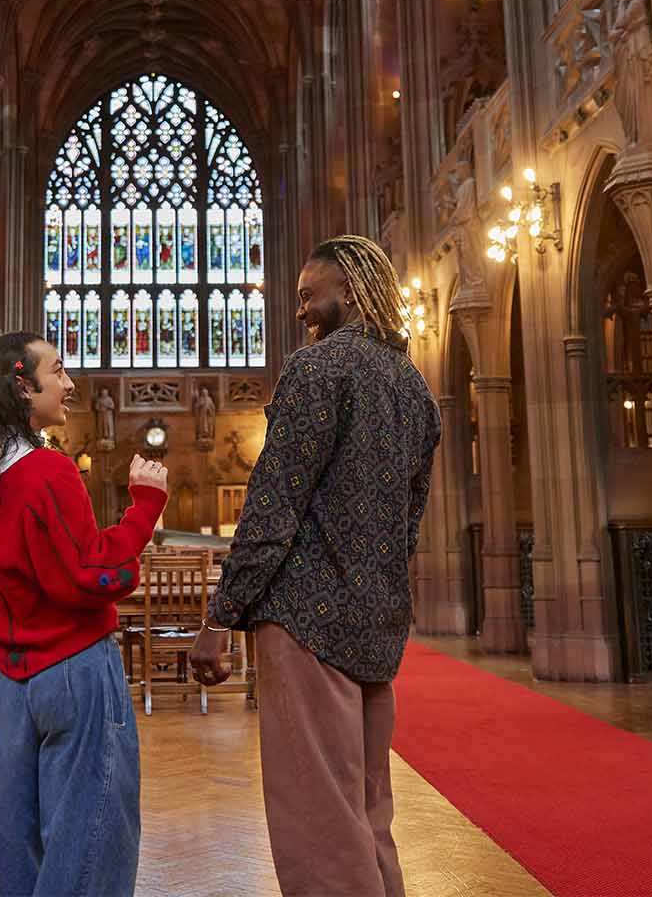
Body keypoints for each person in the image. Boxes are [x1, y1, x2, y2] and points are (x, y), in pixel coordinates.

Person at [188, 235, 441, 897]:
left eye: (308, 296)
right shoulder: (413, 388)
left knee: (317, 822)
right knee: (365, 810)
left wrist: (220, 615)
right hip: (376, 624)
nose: (300, 312)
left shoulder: (317, 370)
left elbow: (273, 503)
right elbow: (408, 516)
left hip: (306, 619)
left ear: (349, 290)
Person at [0, 331, 169, 897]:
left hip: (10, 686)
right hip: (74, 672)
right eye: (58, 371)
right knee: (92, 839)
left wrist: (3, 643)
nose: (70, 384)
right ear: (22, 386)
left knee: (16, 848)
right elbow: (93, 574)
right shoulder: (47, 470)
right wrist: (145, 508)